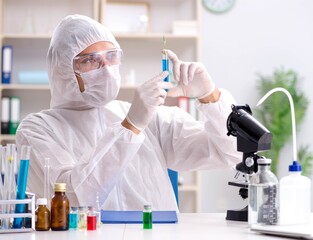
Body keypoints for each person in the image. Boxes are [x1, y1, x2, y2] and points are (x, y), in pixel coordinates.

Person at [16, 14, 241, 211]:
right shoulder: (37, 128)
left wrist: (210, 96)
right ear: (63, 70)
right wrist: (131, 127)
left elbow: (230, 154)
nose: (106, 68)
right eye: (89, 60)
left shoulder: (147, 115)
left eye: (111, 56)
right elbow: (74, 198)